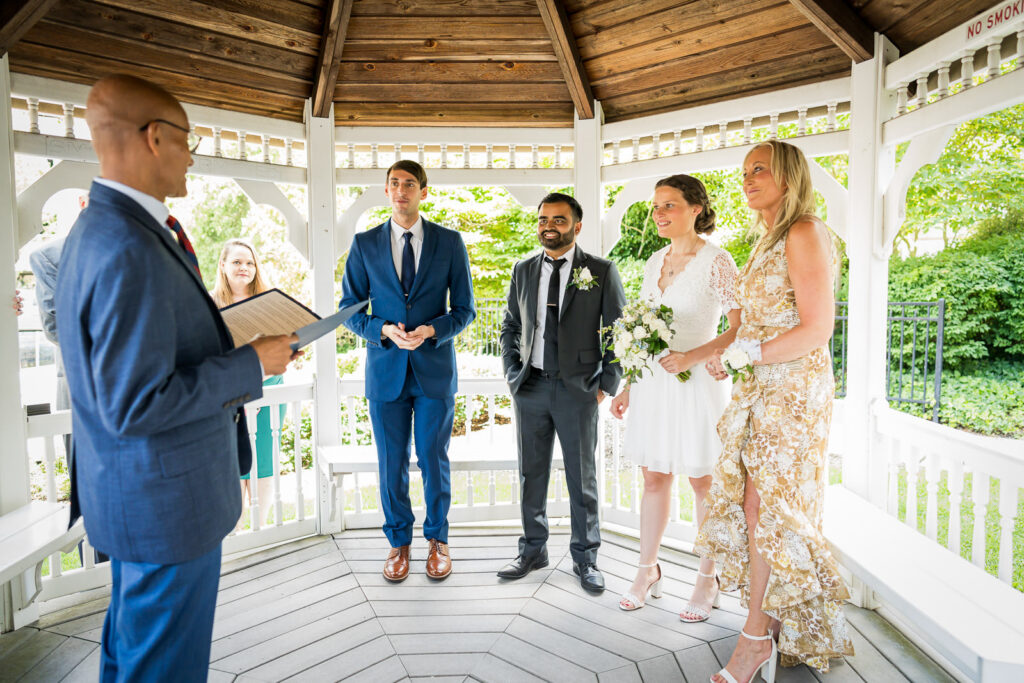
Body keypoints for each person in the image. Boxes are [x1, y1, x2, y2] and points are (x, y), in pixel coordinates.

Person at [54, 74, 299, 682]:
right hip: (165, 508)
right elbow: (136, 403)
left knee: (132, 654)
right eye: (188, 139)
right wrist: (253, 363)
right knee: (163, 669)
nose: (193, 154)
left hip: (137, 498)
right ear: (156, 137)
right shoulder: (125, 247)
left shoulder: (107, 231)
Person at [696, 140, 854, 683]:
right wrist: (725, 353)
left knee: (766, 505)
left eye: (759, 169)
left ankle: (755, 637)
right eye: (744, 172)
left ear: (788, 176)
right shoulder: (767, 238)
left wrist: (749, 353)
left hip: (793, 388)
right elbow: (754, 323)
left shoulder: (806, 231)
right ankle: (770, 619)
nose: (747, 178)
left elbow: (816, 327)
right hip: (760, 385)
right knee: (752, 503)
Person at [609, 175, 740, 616]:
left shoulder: (719, 261)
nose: (659, 214)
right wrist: (629, 384)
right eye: (656, 206)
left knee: (703, 481)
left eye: (669, 205)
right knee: (653, 478)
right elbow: (643, 329)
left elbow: (740, 328)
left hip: (697, 382)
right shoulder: (653, 261)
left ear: (696, 209)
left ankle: (708, 578)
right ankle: (648, 570)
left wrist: (692, 356)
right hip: (652, 384)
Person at [339, 159, 475, 582]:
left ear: (423, 192)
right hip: (385, 373)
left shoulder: (450, 242)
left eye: (410, 184)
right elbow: (349, 310)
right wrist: (381, 330)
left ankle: (438, 540)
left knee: (434, 460)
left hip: (434, 371)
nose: (401, 190)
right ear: (386, 191)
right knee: (390, 462)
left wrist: (434, 328)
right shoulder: (363, 245)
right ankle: (399, 544)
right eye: (394, 183)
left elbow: (466, 310)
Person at [497, 192, 625, 592]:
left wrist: (606, 385)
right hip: (530, 386)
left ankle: (586, 559)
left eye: (558, 220)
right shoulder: (522, 269)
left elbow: (617, 331)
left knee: (581, 477)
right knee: (530, 473)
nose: (548, 226)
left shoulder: (601, 271)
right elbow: (510, 327)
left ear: (577, 226)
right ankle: (533, 549)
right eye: (542, 220)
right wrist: (512, 373)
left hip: (579, 391)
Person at [210, 238, 287, 529]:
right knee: (232, 465)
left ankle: (260, 527)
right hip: (229, 395)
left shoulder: (269, 302)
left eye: (250, 262)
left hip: (269, 390)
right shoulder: (209, 304)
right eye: (237, 262)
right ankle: (238, 531)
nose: (244, 268)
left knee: (263, 463)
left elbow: (280, 346)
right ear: (223, 265)